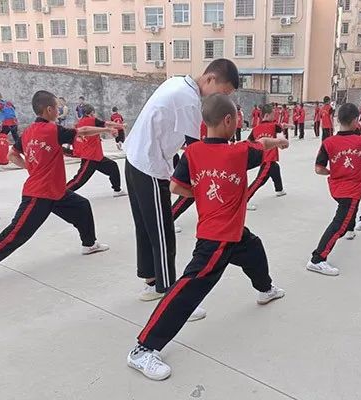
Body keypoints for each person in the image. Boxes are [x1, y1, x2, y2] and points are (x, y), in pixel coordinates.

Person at [127, 94, 287, 381]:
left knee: (254, 250)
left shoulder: (193, 152)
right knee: (188, 291)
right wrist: (277, 142)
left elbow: (176, 186)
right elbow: (260, 145)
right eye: (236, 118)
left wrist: (202, 194)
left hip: (233, 234)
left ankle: (266, 289)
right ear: (228, 121)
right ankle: (144, 349)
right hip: (217, 240)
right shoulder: (239, 153)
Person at [0, 90, 114, 294]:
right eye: (57, 107)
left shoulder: (28, 132)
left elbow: (12, 155)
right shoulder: (53, 130)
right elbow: (83, 131)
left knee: (82, 206)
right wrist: (107, 129)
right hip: (39, 194)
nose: (59, 110)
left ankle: (89, 244)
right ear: (49, 110)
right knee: (15, 234)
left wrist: (29, 168)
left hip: (56, 191)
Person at [124, 58, 239, 308]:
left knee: (147, 227)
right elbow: (197, 148)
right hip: (149, 165)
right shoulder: (188, 99)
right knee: (163, 233)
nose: (221, 100)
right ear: (209, 79)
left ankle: (151, 280)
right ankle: (169, 295)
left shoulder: (177, 83)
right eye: (223, 93)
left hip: (135, 158)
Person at [306, 103, 361, 276]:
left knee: (347, 217)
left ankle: (350, 229)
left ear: (338, 119)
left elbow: (319, 169)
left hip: (336, 187)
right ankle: (317, 259)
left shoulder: (328, 142)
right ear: (356, 121)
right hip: (351, 191)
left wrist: (332, 172)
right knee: (338, 225)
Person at [65, 104, 127, 197]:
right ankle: (60, 194)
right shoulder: (92, 120)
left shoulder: (79, 123)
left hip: (97, 156)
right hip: (90, 157)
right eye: (94, 113)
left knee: (113, 166)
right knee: (78, 180)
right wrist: (121, 125)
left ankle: (117, 190)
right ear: (91, 113)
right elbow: (107, 123)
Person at [246, 104, 291, 211]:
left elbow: (249, 143)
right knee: (260, 180)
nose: (274, 116)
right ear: (267, 115)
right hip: (268, 158)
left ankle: (279, 189)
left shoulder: (255, 129)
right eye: (272, 114)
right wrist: (282, 143)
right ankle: (245, 199)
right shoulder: (274, 125)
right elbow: (281, 134)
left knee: (275, 168)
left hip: (261, 157)